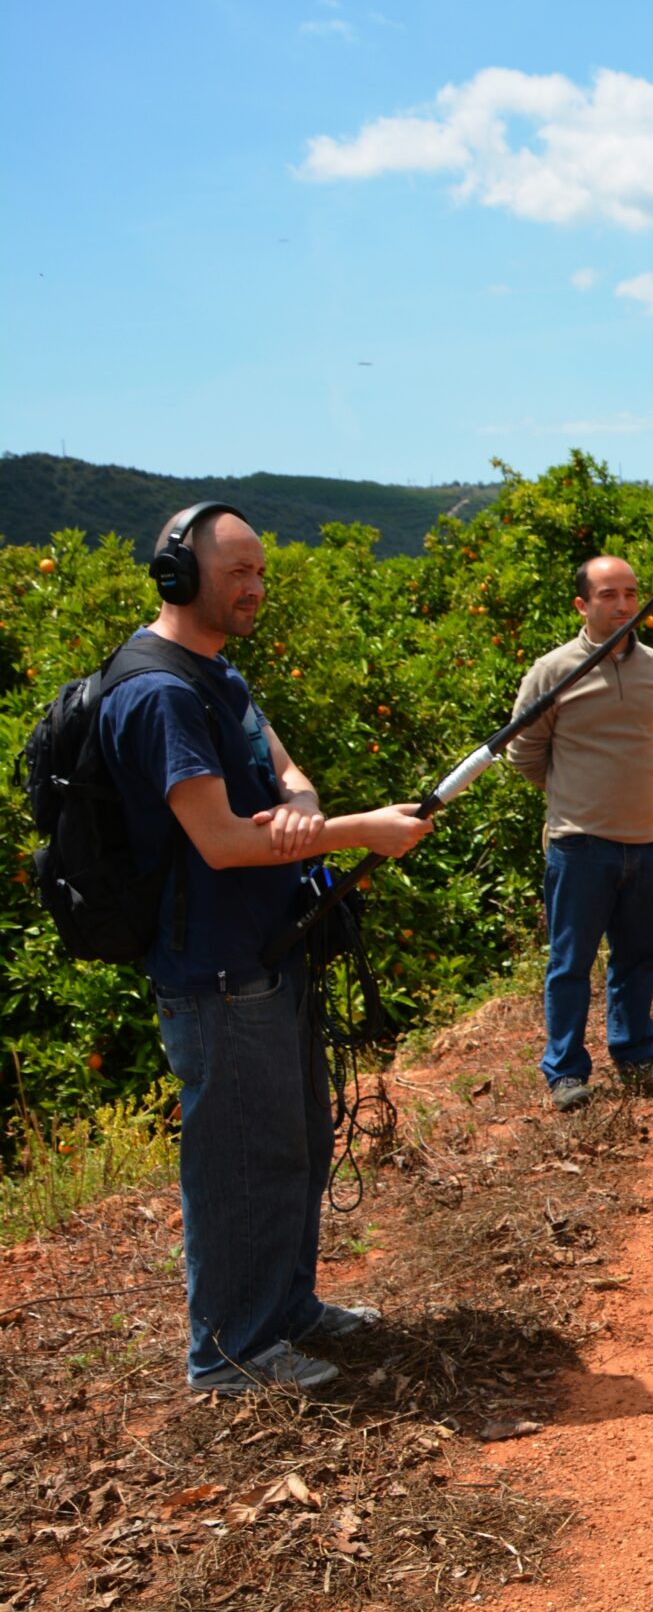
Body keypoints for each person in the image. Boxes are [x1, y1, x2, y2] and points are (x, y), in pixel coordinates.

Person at [101, 504, 435, 1393]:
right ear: (180, 576)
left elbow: (288, 773)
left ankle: (285, 1310)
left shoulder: (220, 674)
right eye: (235, 572)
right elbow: (219, 840)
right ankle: (229, 1352)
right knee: (240, 1163)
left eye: (259, 572)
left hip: (271, 949)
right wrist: (357, 831)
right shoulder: (160, 692)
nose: (253, 588)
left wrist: (303, 802)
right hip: (215, 969)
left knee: (295, 1144)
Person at [507, 556, 653, 1113]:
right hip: (579, 845)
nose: (624, 605)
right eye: (609, 595)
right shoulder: (553, 670)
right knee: (570, 963)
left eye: (631, 593)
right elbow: (525, 752)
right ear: (583, 605)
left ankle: (635, 1055)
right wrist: (574, 797)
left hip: (647, 840)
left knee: (639, 956)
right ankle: (564, 1072)